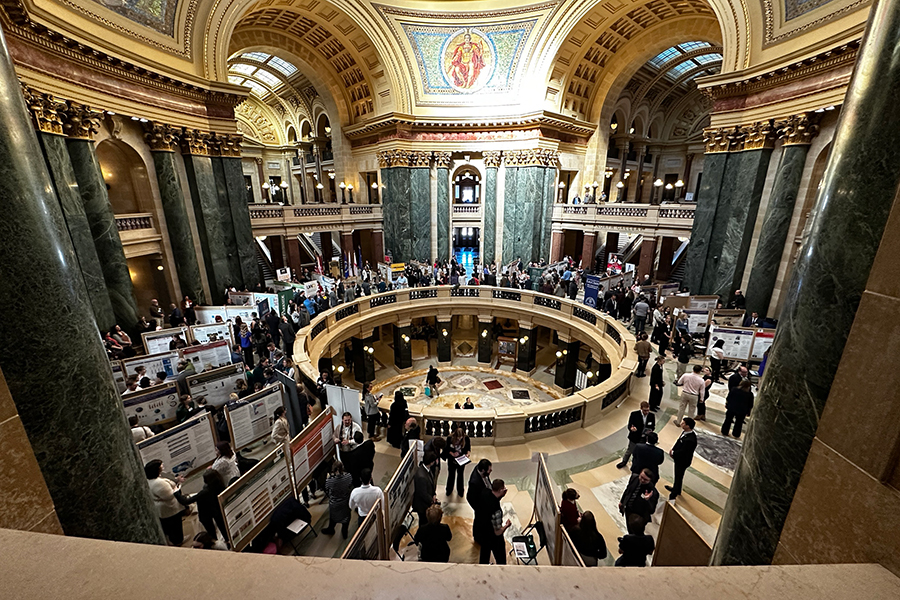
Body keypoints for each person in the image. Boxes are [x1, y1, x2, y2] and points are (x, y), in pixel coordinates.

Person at [144, 459, 187, 546]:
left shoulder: (150, 480)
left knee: (168, 527)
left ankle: (172, 540)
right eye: (161, 467)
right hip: (170, 509)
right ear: (156, 470)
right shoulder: (159, 483)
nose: (163, 467)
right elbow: (169, 496)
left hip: (162, 510)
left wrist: (176, 480)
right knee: (175, 527)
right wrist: (177, 487)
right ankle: (178, 542)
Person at [180, 469, 228, 543]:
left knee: (211, 532)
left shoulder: (204, 493)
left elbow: (186, 501)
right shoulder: (221, 486)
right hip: (218, 511)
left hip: (206, 514)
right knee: (223, 529)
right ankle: (227, 541)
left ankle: (214, 543)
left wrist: (176, 492)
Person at [474, 479, 511, 564]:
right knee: (500, 558)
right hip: (493, 538)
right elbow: (497, 532)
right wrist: (506, 525)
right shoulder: (496, 510)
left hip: (482, 532)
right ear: (501, 490)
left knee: (484, 554)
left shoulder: (484, 492)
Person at [616, 401, 656, 469]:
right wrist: (631, 428)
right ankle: (624, 462)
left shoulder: (652, 416)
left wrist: (650, 431)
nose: (646, 412)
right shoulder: (634, 414)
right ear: (641, 408)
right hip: (635, 437)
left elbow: (653, 426)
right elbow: (629, 425)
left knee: (640, 453)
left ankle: (637, 464)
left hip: (644, 438)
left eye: (648, 410)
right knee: (629, 451)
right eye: (645, 410)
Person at [666, 418, 697, 500]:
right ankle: (677, 489)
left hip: (683, 461)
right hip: (679, 459)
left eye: (683, 423)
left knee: (678, 477)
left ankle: (673, 494)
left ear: (688, 426)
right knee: (678, 476)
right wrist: (673, 449)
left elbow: (683, 452)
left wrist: (673, 453)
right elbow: (678, 442)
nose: (681, 424)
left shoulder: (690, 440)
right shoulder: (685, 432)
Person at [321, 460, 353, 538]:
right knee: (346, 518)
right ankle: (344, 533)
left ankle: (331, 529)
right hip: (345, 502)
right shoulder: (348, 476)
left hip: (334, 503)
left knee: (333, 517)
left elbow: (327, 489)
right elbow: (350, 485)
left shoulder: (330, 480)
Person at [413, 451, 439, 528]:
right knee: (424, 524)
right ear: (431, 462)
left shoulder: (426, 469)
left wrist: (433, 494)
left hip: (427, 500)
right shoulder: (421, 476)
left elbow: (431, 483)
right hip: (422, 506)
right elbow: (423, 494)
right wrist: (432, 500)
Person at [444, 426, 471, 497]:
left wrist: (467, 454)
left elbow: (468, 448)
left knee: (460, 475)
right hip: (452, 460)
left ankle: (460, 491)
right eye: (458, 437)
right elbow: (446, 449)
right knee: (451, 475)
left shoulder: (466, 438)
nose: (459, 439)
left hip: (461, 460)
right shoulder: (450, 438)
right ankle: (449, 490)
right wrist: (452, 453)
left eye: (461, 437)